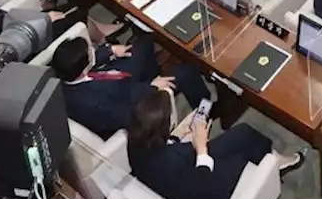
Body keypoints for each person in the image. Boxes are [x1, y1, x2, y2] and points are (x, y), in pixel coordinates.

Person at [126, 91, 304, 199]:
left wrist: (178, 135)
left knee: (243, 134)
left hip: (182, 165)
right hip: (208, 191)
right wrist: (201, 145)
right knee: (242, 152)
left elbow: (167, 150)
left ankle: (270, 158)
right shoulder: (172, 162)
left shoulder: (134, 142)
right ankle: (273, 165)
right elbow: (202, 182)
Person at [53, 32, 209, 139]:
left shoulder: (66, 74)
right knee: (186, 72)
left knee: (144, 42)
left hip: (116, 81)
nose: (94, 50)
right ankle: (206, 108)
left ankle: (151, 70)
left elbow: (89, 60)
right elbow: (128, 114)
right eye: (91, 52)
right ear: (83, 68)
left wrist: (110, 50)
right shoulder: (95, 105)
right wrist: (152, 88)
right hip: (129, 100)